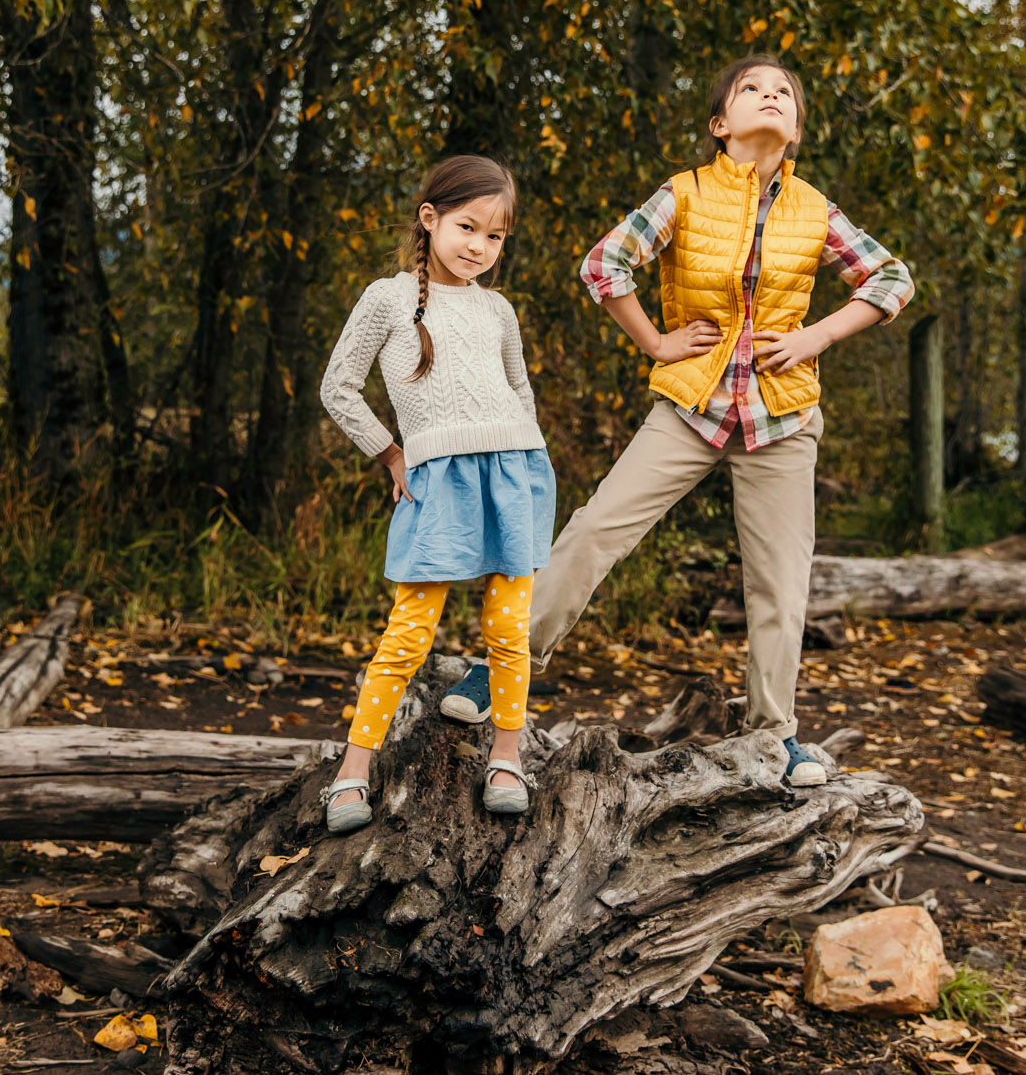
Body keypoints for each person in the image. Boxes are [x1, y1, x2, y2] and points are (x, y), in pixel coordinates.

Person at [437, 55, 914, 786]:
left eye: (785, 91)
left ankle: (772, 734)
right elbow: (605, 265)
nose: (771, 94)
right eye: (753, 87)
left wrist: (817, 336)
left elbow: (891, 277)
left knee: (781, 588)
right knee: (595, 531)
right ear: (721, 123)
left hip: (782, 419)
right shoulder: (685, 194)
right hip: (692, 406)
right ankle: (500, 668)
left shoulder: (816, 210)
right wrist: (655, 342)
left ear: (796, 130)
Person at [316, 155, 555, 833]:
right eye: (467, 226)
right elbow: (338, 387)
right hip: (437, 479)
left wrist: (531, 460)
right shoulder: (389, 298)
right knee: (408, 633)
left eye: (495, 235)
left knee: (508, 632)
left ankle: (506, 759)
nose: (479, 245)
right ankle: (353, 770)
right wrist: (390, 451)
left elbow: (520, 390)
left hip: (515, 472)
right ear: (431, 219)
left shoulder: (499, 308)